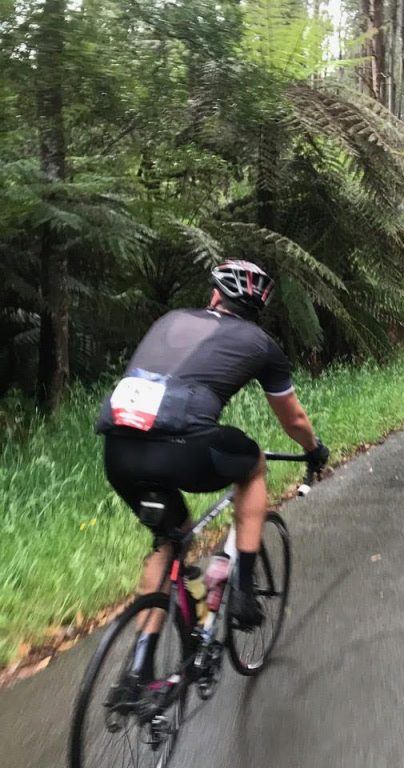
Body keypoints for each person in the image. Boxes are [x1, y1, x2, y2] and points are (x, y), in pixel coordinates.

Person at [96, 260, 329, 644]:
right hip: (183, 445)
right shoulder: (261, 344)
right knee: (253, 464)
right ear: (256, 311)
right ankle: (242, 591)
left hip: (118, 448)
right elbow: (295, 421)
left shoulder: (170, 320)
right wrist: (314, 450)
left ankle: (140, 670)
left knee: (170, 540)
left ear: (215, 296)